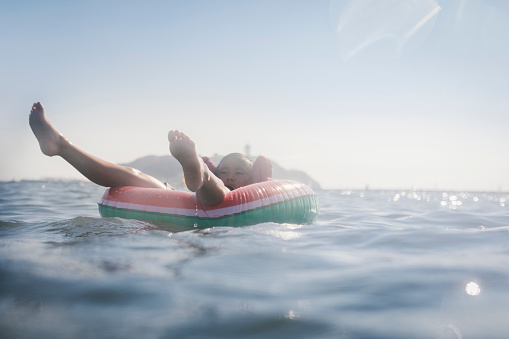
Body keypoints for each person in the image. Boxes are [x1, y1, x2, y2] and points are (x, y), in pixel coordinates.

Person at [29, 102, 253, 206]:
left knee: (219, 191)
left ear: (252, 179)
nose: (230, 176)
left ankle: (199, 170)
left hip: (216, 195)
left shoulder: (251, 192)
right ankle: (61, 145)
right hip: (192, 199)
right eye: (224, 171)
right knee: (132, 174)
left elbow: (226, 192)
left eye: (239, 172)